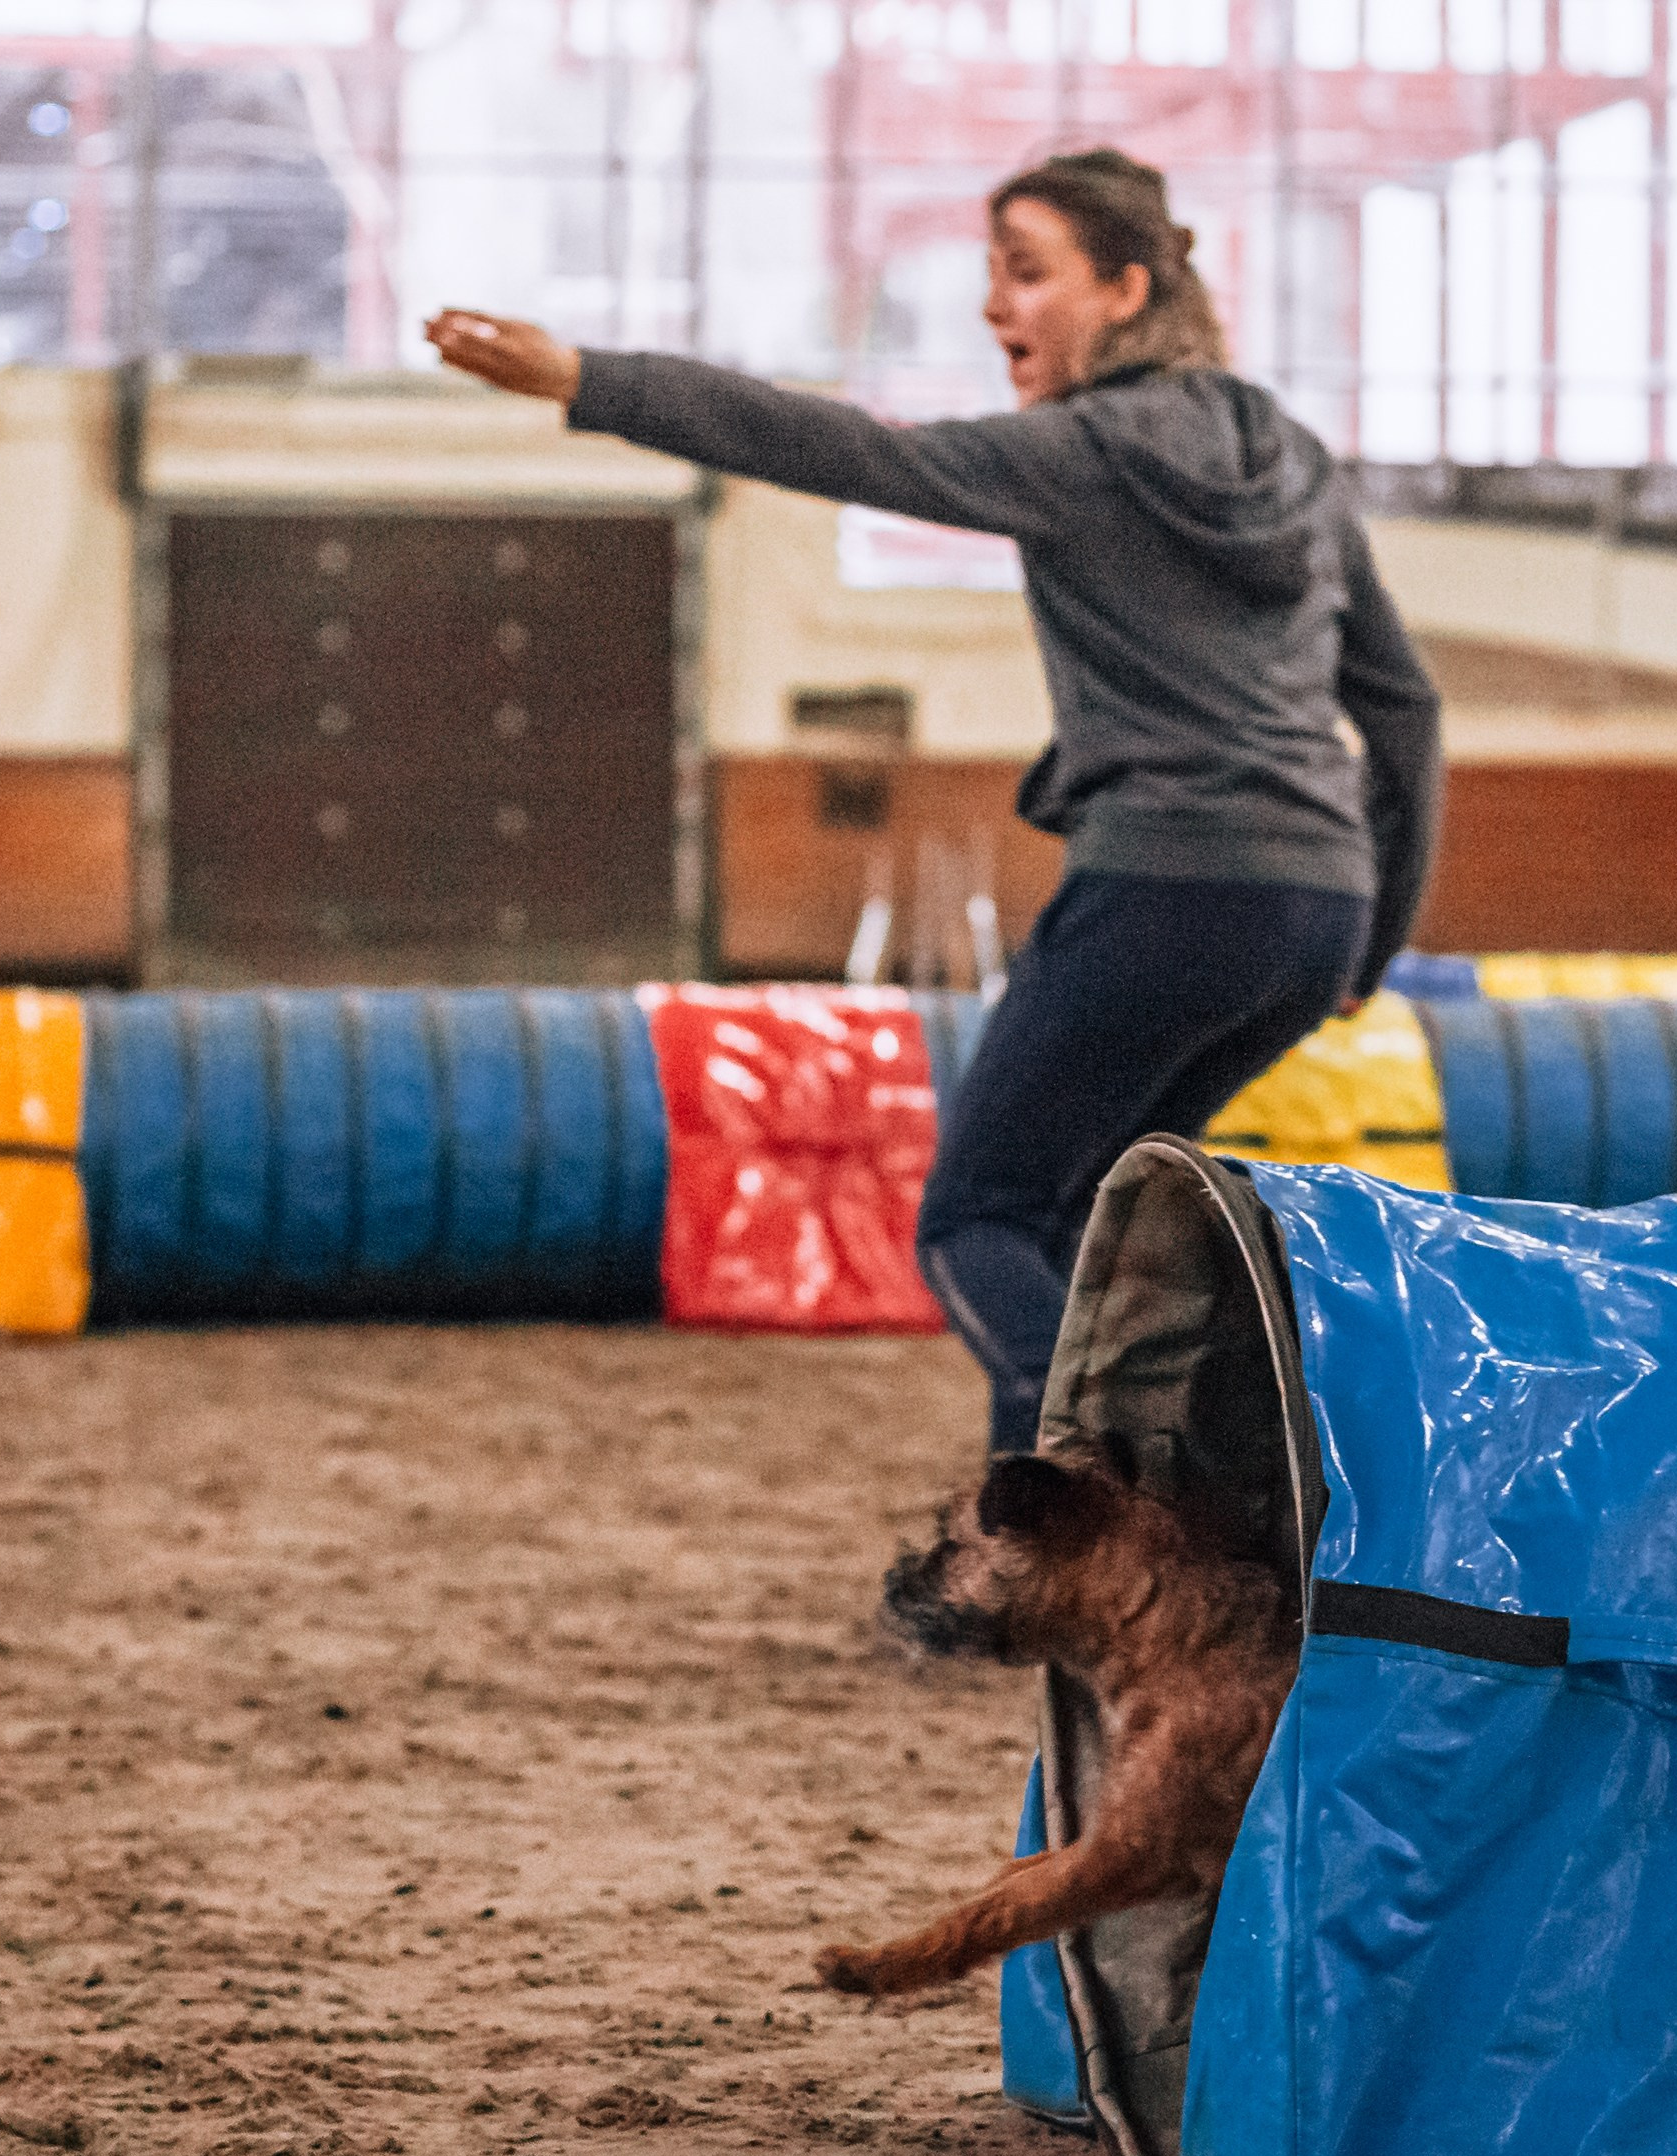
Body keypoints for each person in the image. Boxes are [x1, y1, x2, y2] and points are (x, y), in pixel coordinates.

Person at [429, 146, 1442, 1449]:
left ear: (1124, 290)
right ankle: (1161, 1495)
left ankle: (1077, 1494)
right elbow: (1400, 703)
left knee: (979, 1217)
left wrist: (590, 380)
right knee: (1097, 1219)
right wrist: (1371, 937)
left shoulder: (1079, 451)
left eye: (1025, 275)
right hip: (1309, 913)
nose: (989, 309)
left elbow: (844, 449)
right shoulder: (1293, 460)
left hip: (1169, 883)